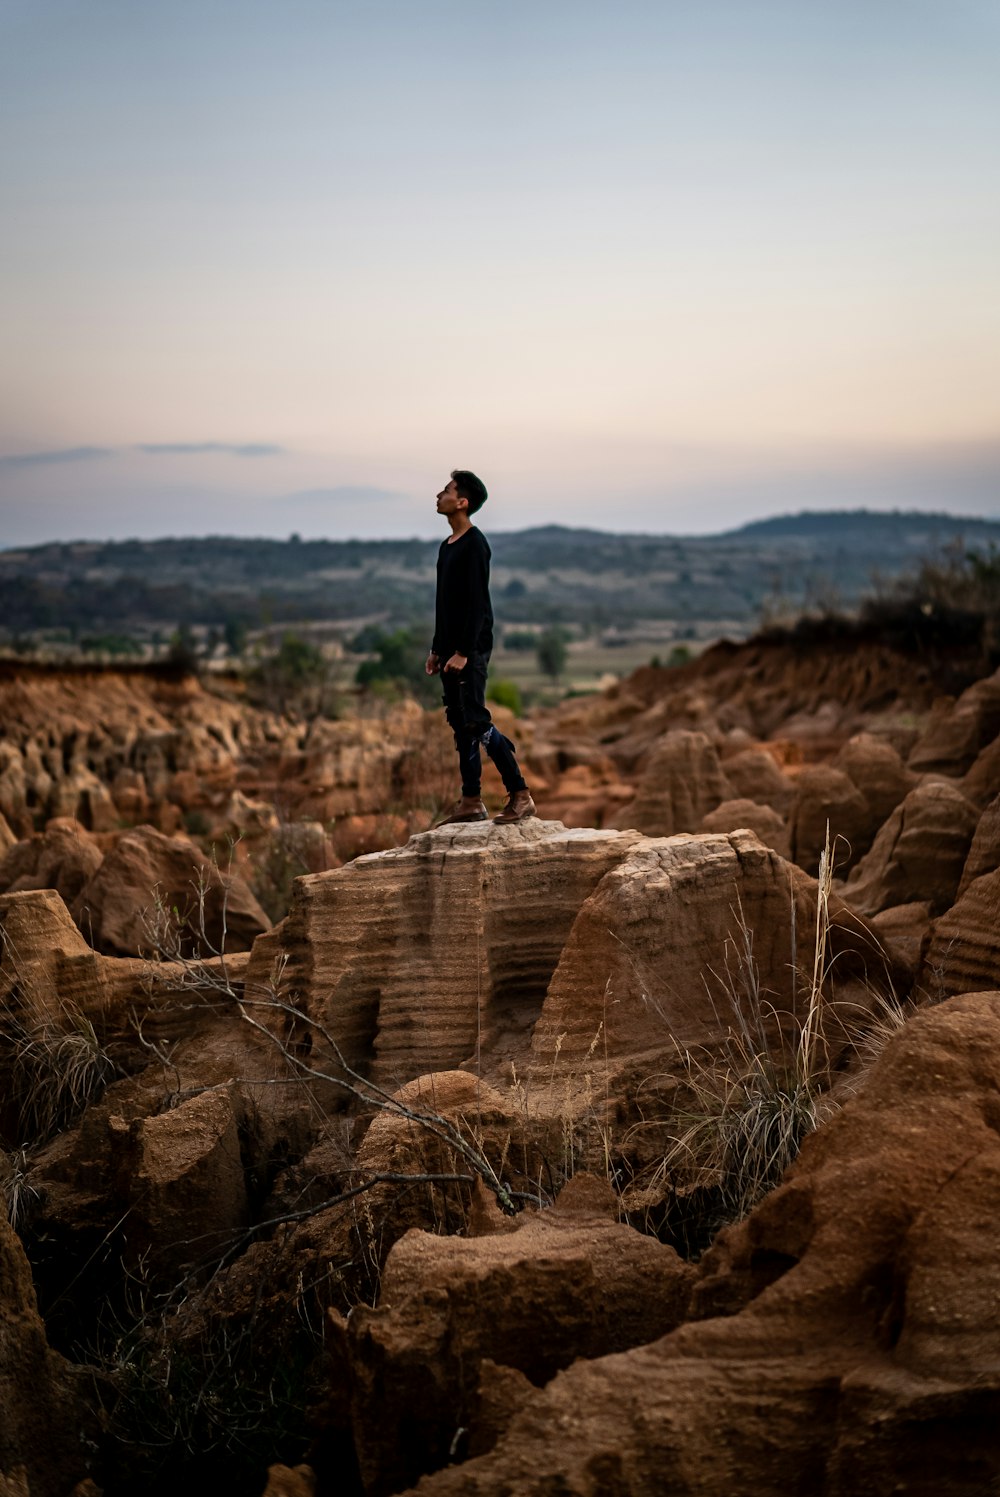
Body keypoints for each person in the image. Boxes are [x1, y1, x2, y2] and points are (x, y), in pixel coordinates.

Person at [425, 470, 536, 825]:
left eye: (447, 490)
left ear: (463, 502)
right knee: (460, 724)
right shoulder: (447, 547)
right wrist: (437, 649)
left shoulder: (476, 544)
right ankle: (471, 801)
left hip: (470, 650)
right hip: (450, 651)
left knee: (476, 720)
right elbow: (445, 604)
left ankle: (520, 794)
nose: (439, 494)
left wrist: (464, 652)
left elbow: (476, 604)